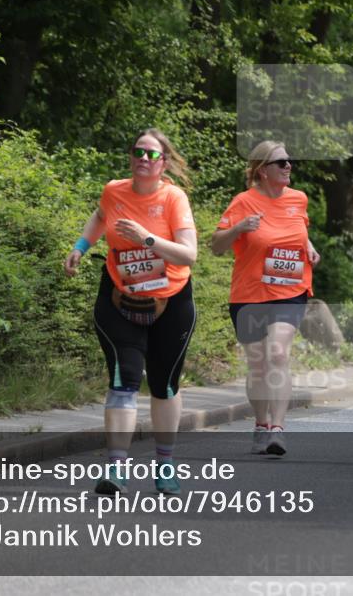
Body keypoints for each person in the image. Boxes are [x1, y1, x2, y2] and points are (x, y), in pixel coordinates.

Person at [64, 128, 197, 496]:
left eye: (152, 154)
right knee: (124, 381)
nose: (144, 158)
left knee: (164, 385)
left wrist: (146, 239)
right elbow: (100, 216)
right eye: (138, 152)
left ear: (164, 163)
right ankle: (116, 469)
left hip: (172, 302)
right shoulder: (114, 190)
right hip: (119, 300)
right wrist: (80, 246)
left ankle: (165, 465)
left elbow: (189, 254)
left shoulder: (174, 199)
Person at [211, 141, 319, 456]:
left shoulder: (298, 199)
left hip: (290, 290)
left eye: (289, 161)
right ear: (262, 170)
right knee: (258, 364)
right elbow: (216, 245)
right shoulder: (243, 202)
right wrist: (240, 228)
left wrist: (308, 246)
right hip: (249, 293)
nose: (289, 167)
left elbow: (295, 227)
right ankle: (260, 423)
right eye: (281, 162)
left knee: (278, 353)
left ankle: (278, 429)